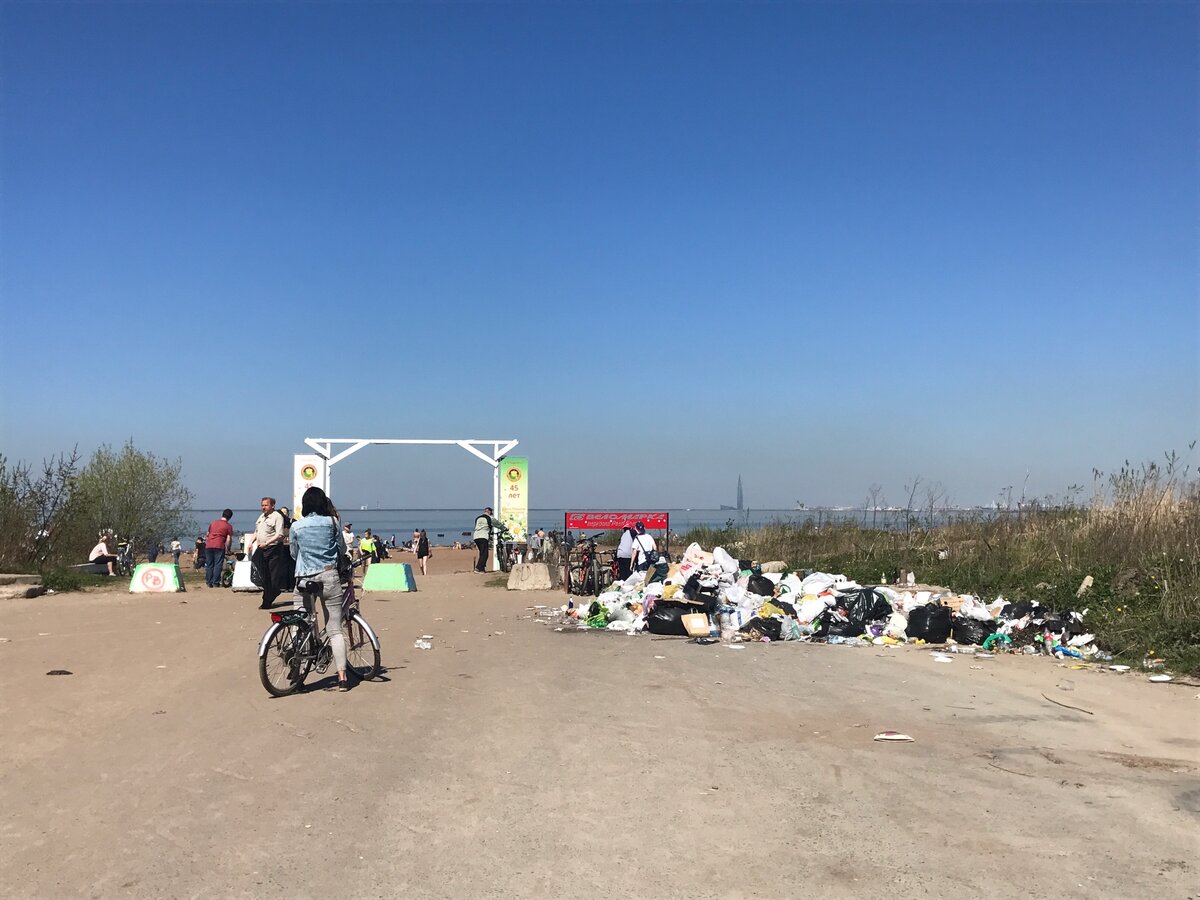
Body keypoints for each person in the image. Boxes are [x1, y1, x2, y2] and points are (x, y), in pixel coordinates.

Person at [289, 486, 350, 691]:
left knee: (301, 624)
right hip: (329, 576)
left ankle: (296, 673)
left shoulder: (296, 526)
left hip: (304, 579)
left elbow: (293, 553)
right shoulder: (332, 522)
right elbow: (341, 548)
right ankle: (342, 677)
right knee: (334, 628)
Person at [251, 496, 289, 609]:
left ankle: (267, 601)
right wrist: (250, 542)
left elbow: (280, 535)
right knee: (261, 573)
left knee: (271, 576)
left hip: (273, 548)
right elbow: (257, 531)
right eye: (262, 505)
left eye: (266, 505)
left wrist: (267, 543)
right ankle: (272, 593)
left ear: (272, 505)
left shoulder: (277, 517)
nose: (263, 507)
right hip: (261, 549)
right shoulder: (262, 517)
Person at [204, 509, 234, 588]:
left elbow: (207, 534)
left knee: (209, 564)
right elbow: (228, 539)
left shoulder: (213, 523)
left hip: (209, 545)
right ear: (230, 517)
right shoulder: (228, 526)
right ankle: (215, 582)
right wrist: (228, 548)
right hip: (219, 545)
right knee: (218, 564)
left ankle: (208, 581)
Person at [473, 506, 497, 573]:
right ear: (490, 512)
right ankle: (478, 568)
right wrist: (505, 528)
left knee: (482, 553)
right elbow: (498, 524)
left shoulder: (478, 518)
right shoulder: (490, 518)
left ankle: (482, 569)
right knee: (485, 554)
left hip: (476, 536)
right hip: (483, 536)